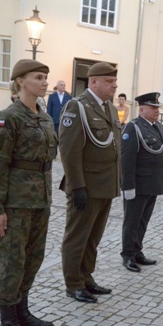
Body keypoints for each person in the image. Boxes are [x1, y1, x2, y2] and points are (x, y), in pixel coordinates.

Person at [0, 59, 57, 326]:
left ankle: (22, 311)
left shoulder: (45, 117)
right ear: (20, 82)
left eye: (45, 77)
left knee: (32, 257)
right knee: (11, 260)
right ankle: (7, 321)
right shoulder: (8, 117)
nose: (44, 82)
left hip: (40, 201)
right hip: (14, 203)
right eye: (38, 77)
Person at [58, 61, 121, 304]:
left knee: (93, 237)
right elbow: (69, 151)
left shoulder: (109, 108)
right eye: (109, 81)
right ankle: (73, 284)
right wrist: (77, 187)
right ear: (93, 82)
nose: (114, 85)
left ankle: (86, 278)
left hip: (105, 185)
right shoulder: (78, 107)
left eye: (115, 81)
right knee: (77, 237)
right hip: (85, 186)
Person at [120, 92, 163, 272]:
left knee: (143, 221)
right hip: (138, 184)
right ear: (141, 109)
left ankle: (137, 250)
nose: (157, 110)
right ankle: (127, 255)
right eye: (153, 108)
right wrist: (128, 186)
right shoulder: (133, 127)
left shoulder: (157, 127)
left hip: (153, 184)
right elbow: (127, 159)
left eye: (157, 107)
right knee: (132, 221)